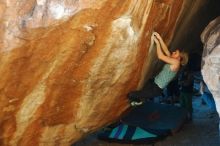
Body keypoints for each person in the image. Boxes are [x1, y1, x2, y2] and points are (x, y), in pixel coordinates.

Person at [128, 32, 188, 106]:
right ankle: (139, 101)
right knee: (140, 93)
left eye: (175, 53)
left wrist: (157, 43)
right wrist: (159, 38)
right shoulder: (173, 60)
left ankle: (137, 102)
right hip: (153, 82)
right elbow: (166, 51)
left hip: (156, 89)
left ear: (179, 58)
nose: (173, 52)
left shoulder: (176, 63)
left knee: (132, 94)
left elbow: (160, 56)